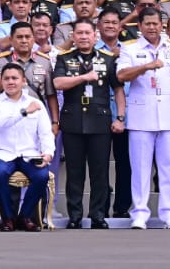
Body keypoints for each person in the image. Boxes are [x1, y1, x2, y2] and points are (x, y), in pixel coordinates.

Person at [117, 6, 170, 229]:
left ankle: (169, 214)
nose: (151, 27)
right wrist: (146, 66)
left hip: (169, 115)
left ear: (162, 25)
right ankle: (139, 213)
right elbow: (121, 75)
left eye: (155, 23)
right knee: (140, 168)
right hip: (141, 117)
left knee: (168, 167)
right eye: (147, 24)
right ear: (139, 26)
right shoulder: (129, 48)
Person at [52, 19, 124, 229]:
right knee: (75, 172)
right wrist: (84, 77)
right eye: (79, 33)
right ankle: (75, 216)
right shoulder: (64, 58)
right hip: (73, 121)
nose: (83, 37)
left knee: (99, 172)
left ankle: (98, 215)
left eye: (87, 33)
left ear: (95, 36)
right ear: (73, 36)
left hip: (100, 121)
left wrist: (120, 117)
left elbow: (118, 89)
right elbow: (58, 83)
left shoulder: (108, 59)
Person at [0, 63, 54, 231]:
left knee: (42, 175)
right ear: (1, 81)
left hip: (29, 153)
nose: (10, 82)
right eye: (6, 79)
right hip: (1, 153)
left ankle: (24, 216)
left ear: (24, 81)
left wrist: (48, 153)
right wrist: (23, 113)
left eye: (15, 78)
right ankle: (7, 218)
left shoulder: (36, 103)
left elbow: (45, 132)